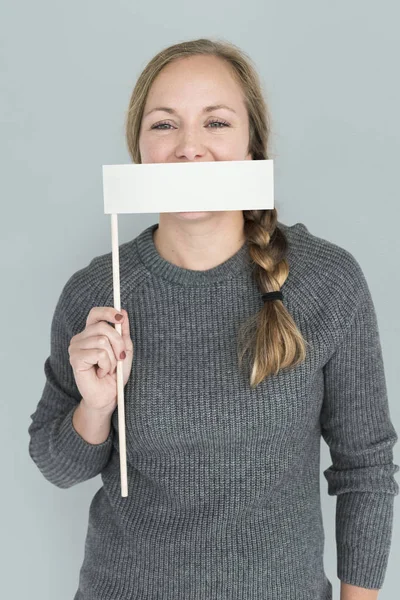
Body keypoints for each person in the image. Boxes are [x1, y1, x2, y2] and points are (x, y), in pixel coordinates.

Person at [28, 38, 399, 600]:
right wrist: (96, 406)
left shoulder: (328, 282)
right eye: (164, 125)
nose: (189, 149)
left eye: (217, 123)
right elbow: (59, 466)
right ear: (140, 152)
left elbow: (366, 469)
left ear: (252, 148)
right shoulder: (95, 293)